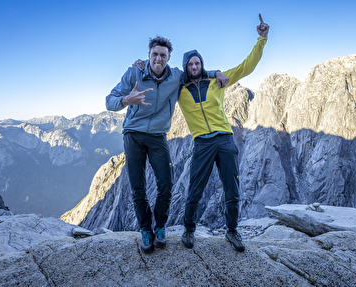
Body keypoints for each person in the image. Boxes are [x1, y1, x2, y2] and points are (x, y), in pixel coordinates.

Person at [106, 36, 228, 254]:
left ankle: (160, 226)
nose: (158, 59)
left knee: (166, 183)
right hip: (133, 134)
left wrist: (216, 72)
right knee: (137, 187)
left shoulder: (176, 76)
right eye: (155, 54)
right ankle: (146, 230)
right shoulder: (134, 73)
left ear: (169, 58)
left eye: (163, 55)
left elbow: (196, 72)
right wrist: (126, 100)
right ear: (148, 55)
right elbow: (109, 100)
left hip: (158, 136)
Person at [179, 14, 270, 252]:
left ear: (202, 65)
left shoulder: (215, 82)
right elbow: (157, 77)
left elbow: (245, 68)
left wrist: (261, 39)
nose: (195, 67)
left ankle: (232, 231)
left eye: (197, 63)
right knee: (195, 187)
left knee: (232, 187)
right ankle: (188, 229)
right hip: (202, 143)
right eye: (190, 64)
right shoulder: (179, 90)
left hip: (225, 139)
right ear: (186, 68)